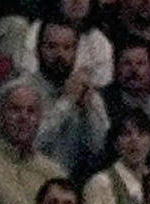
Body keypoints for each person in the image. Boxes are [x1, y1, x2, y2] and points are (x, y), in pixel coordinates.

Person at [23, 18, 110, 180]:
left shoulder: (84, 91)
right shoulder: (20, 91)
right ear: (37, 51)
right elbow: (28, 144)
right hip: (27, 179)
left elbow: (99, 151)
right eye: (51, 47)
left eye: (67, 48)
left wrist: (87, 111)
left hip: (74, 185)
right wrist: (66, 103)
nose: (59, 54)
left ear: (76, 52)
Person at [81, 110, 150, 204]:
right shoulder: (102, 183)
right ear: (115, 144)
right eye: (126, 134)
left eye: (141, 134)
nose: (134, 140)